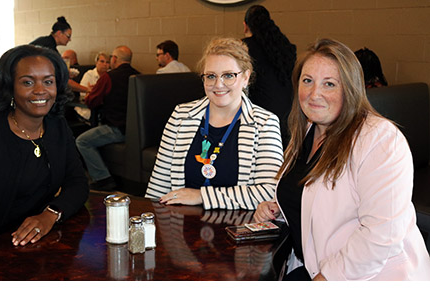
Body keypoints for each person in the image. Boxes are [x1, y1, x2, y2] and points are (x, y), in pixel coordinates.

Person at [254, 38, 430, 280]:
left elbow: (381, 237)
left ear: (351, 88)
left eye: (329, 84)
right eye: (308, 81)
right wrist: (279, 209)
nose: (315, 94)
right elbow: (315, 198)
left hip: (371, 278)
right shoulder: (308, 129)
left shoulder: (380, 139)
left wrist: (324, 281)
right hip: (314, 265)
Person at [0, 45, 89, 251]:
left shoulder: (57, 126)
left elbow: (78, 183)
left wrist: (50, 215)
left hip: (32, 244)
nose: (40, 90)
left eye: (48, 81)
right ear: (10, 87)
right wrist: (14, 250)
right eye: (27, 82)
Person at [145, 37, 283, 210]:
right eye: (211, 76)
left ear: (246, 77)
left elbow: (270, 193)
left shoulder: (265, 123)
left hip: (236, 230)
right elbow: (158, 187)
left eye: (228, 75)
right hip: (181, 230)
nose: (218, 85)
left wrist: (201, 196)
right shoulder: (181, 116)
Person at [76, 45, 140, 191]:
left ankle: (103, 178)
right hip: (136, 131)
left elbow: (91, 101)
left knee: (82, 141)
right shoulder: (140, 76)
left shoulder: (109, 78)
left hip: (117, 128)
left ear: (114, 59)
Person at [242, 5, 296, 147]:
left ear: (245, 25)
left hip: (261, 122)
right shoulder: (284, 46)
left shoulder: (244, 48)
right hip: (288, 120)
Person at [30, 16, 88, 94]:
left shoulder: (45, 42)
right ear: (59, 33)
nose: (69, 40)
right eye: (68, 36)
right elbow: (62, 79)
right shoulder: (48, 48)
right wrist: (87, 89)